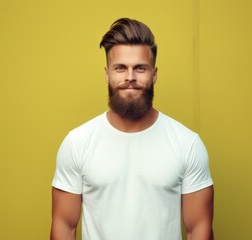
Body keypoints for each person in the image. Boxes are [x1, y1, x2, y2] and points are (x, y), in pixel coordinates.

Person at [50, 18, 214, 240]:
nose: (130, 77)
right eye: (120, 68)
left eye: (140, 68)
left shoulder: (187, 144)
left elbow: (199, 230)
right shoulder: (77, 143)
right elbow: (64, 227)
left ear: (154, 74)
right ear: (107, 73)